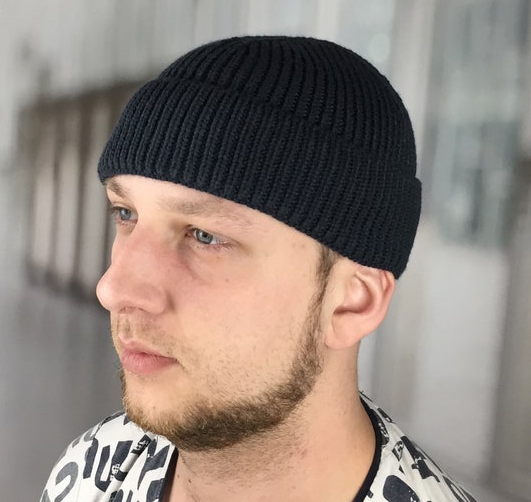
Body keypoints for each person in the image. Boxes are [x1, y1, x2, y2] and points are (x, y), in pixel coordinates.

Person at [40, 36, 475, 501]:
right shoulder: (93, 470)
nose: (113, 288)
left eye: (205, 236)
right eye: (126, 213)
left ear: (352, 302)